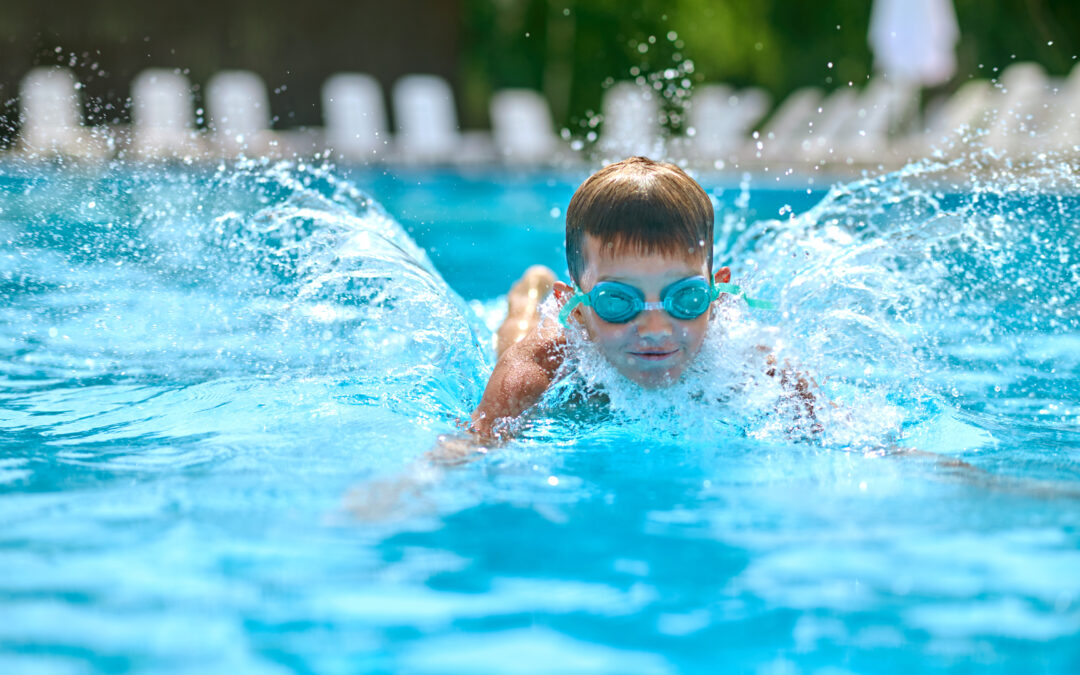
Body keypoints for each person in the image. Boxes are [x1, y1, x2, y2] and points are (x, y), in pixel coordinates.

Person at [468, 156, 817, 441]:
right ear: (572, 309)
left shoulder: (747, 359)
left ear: (716, 296)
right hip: (552, 342)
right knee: (517, 334)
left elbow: (834, 430)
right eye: (617, 301)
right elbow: (467, 448)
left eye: (686, 298)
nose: (655, 328)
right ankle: (531, 291)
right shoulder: (539, 365)